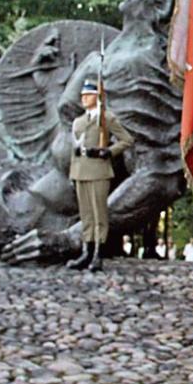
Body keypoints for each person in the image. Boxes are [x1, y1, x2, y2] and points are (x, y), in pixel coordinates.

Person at [67, 79, 134, 271]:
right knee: (86, 215)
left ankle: (98, 253)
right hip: (81, 170)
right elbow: (74, 149)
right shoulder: (78, 122)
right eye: (82, 95)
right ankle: (86, 252)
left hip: (98, 170)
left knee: (99, 214)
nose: (83, 98)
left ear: (97, 97)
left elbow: (127, 140)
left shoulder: (106, 119)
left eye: (88, 95)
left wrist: (109, 151)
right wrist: (73, 172)